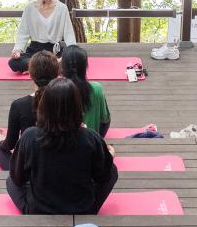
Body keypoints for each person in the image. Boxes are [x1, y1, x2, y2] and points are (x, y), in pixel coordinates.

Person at [7, 77, 118, 214]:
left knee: (10, 180)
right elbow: (103, 176)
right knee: (111, 170)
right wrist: (109, 157)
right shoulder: (91, 137)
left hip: (39, 209)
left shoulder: (30, 136)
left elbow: (18, 178)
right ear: (77, 106)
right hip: (83, 209)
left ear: (44, 106)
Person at [0, 51, 60, 169]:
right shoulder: (67, 99)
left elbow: (10, 144)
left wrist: (1, 141)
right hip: (62, 160)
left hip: (32, 166)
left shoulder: (19, 105)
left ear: (30, 74)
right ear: (57, 74)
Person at [9, 0, 76, 73]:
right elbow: (23, 33)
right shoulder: (29, 8)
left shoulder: (62, 8)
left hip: (54, 51)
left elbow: (68, 33)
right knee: (13, 63)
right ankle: (51, 66)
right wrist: (17, 50)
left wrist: (72, 51)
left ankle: (35, 68)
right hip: (35, 50)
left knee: (73, 59)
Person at [60, 45, 111, 137]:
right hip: (91, 145)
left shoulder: (55, 90)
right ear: (85, 66)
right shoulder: (96, 89)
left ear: (63, 67)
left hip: (62, 146)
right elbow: (105, 121)